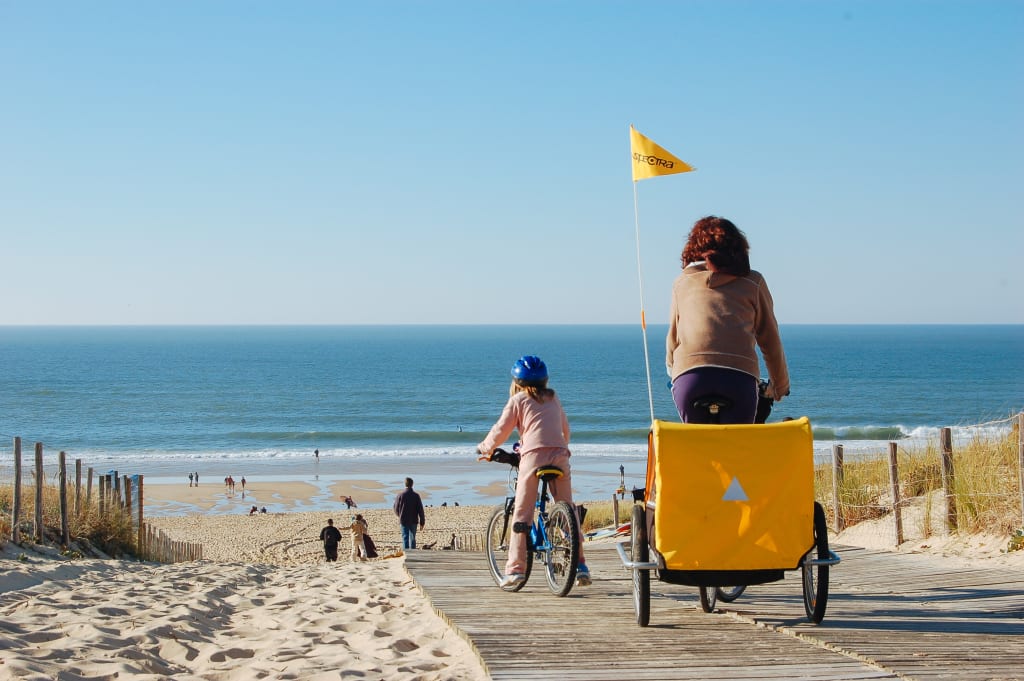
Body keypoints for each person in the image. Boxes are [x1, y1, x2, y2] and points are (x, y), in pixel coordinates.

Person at [476, 355, 591, 588]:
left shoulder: (518, 400)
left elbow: (502, 429)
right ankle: (580, 566)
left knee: (522, 513)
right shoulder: (554, 398)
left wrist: (485, 448)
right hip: (559, 455)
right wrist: (561, 447)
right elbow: (565, 429)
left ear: (517, 383)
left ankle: (515, 570)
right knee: (567, 507)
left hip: (533, 457)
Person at [666, 216, 790, 424]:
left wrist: (673, 371)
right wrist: (779, 387)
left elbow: (673, 338)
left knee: (698, 449)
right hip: (738, 378)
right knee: (736, 448)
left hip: (689, 378)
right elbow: (770, 340)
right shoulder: (753, 282)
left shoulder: (682, 283)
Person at [393, 477, 425, 549]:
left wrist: (399, 515)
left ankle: (407, 553)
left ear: (405, 484)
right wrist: (422, 522)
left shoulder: (400, 495)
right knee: (412, 538)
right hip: (413, 520)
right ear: (412, 484)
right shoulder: (416, 495)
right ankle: (413, 554)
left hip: (404, 520)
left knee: (405, 538)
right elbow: (420, 510)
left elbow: (395, 508)